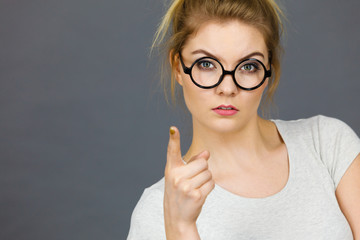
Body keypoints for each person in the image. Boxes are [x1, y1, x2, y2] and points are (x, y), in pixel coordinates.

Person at [127, 0, 360, 239]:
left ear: (269, 71)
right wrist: (181, 228)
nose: (227, 88)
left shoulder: (327, 144)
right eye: (206, 64)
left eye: (248, 66)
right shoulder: (157, 212)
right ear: (178, 68)